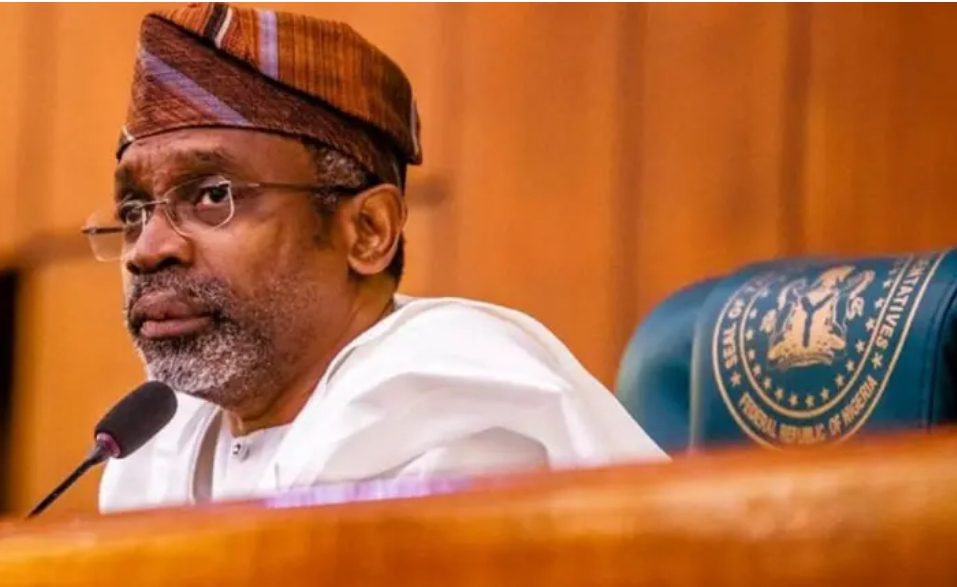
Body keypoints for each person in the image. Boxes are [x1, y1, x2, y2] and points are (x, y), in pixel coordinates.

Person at [90, 2, 667, 513]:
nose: (149, 250)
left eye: (214, 196)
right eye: (134, 211)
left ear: (369, 231)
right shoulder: (152, 447)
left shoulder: (445, 400)